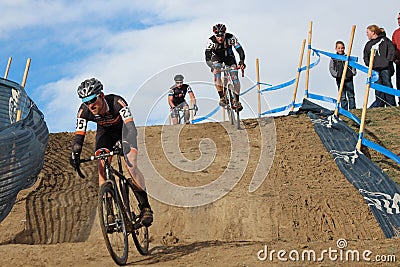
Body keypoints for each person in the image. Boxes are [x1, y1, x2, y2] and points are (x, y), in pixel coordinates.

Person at [69, 78, 153, 226]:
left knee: (131, 164)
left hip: (125, 132)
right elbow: (79, 135)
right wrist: (75, 153)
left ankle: (145, 207)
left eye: (92, 100)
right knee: (101, 166)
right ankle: (109, 213)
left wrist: (126, 142)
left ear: (101, 95)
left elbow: (131, 127)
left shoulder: (117, 102)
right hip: (105, 135)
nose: (90, 105)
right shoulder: (83, 111)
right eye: (86, 102)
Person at [205, 23, 246, 111]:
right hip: (217, 58)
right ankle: (222, 97)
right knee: (217, 76)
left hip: (229, 57)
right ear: (215, 35)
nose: (220, 38)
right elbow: (207, 57)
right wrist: (212, 67)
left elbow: (240, 50)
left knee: (235, 78)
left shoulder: (231, 38)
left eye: (222, 35)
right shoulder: (211, 41)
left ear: (225, 33)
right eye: (218, 36)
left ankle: (237, 101)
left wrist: (242, 61)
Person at [363, 25, 396, 108]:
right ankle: (380, 104)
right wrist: (369, 64)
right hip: (374, 69)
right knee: (377, 86)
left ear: (373, 32)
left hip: (385, 68)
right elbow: (365, 55)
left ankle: (390, 104)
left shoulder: (385, 40)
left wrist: (388, 61)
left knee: (387, 85)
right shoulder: (368, 44)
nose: (367, 34)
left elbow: (392, 51)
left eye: (368, 32)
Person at [329, 40, 357, 110]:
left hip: (348, 78)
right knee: (342, 95)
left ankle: (352, 109)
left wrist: (353, 72)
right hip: (339, 78)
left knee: (351, 95)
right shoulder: (334, 58)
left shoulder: (347, 57)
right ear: (336, 49)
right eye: (339, 48)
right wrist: (336, 74)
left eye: (342, 48)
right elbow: (331, 68)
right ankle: (344, 109)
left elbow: (353, 65)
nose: (341, 49)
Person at [392, 12, 400, 106]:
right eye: (398, 19)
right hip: (399, 62)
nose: (398, 21)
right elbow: (392, 47)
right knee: (399, 83)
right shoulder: (396, 33)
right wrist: (394, 59)